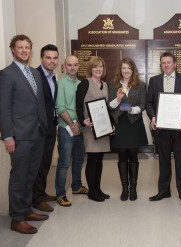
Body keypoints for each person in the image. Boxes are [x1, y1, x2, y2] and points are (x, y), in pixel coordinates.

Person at [0, 34, 49, 234]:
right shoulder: (6, 75)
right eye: (20, 47)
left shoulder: (34, 74)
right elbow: (3, 108)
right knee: (19, 177)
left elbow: (40, 104)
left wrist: (44, 127)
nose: (24, 50)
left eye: (27, 47)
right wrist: (8, 136)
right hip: (19, 136)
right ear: (13, 50)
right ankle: (17, 218)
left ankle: (27, 210)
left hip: (37, 134)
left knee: (31, 175)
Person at [146, 51, 181, 205]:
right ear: (161, 65)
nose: (166, 65)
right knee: (163, 160)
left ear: (175, 64)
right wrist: (153, 117)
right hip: (161, 129)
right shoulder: (154, 81)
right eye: (163, 63)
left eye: (169, 62)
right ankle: (163, 191)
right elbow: (149, 103)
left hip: (180, 128)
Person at [108, 58, 148, 201]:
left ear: (133, 70)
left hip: (134, 122)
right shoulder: (112, 85)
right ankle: (125, 188)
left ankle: (133, 189)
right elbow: (110, 106)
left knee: (133, 155)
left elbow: (143, 104)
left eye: (129, 68)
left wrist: (132, 109)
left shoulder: (141, 85)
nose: (126, 71)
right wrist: (118, 99)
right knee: (122, 155)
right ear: (120, 70)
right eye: (123, 68)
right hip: (120, 123)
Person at [76, 56, 111, 202]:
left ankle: (98, 189)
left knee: (100, 159)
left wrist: (111, 125)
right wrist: (83, 121)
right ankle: (92, 192)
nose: (98, 69)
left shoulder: (105, 84)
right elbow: (77, 104)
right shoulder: (85, 83)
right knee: (92, 159)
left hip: (102, 129)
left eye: (101, 66)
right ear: (91, 69)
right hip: (90, 130)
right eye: (95, 67)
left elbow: (107, 107)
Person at [55, 55, 88, 207]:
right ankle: (60, 194)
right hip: (66, 129)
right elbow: (60, 107)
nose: (73, 67)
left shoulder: (81, 84)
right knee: (63, 163)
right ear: (64, 66)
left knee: (79, 159)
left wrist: (80, 124)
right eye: (69, 65)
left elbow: (83, 107)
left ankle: (76, 186)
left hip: (80, 128)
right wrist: (72, 124)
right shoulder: (60, 83)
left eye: (75, 65)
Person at [31, 44, 59, 213]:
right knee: (38, 163)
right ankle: (36, 199)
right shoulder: (35, 75)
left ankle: (41, 192)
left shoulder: (53, 77)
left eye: (55, 58)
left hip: (50, 126)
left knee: (46, 162)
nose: (52, 61)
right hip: (39, 128)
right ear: (41, 58)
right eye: (48, 57)